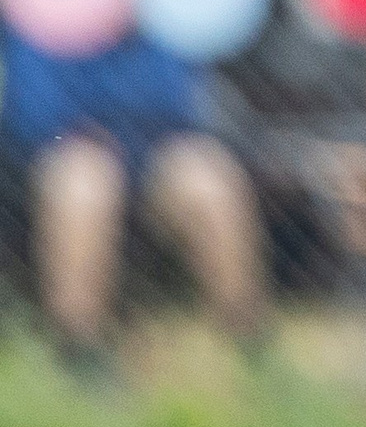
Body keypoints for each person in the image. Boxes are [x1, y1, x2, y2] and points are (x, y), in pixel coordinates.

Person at [0, 26, 269, 378]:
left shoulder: (162, 9)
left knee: (211, 181)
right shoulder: (41, 1)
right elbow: (33, 113)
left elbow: (177, 105)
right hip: (66, 151)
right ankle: (80, 350)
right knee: (84, 185)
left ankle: (250, 340)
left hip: (154, 149)